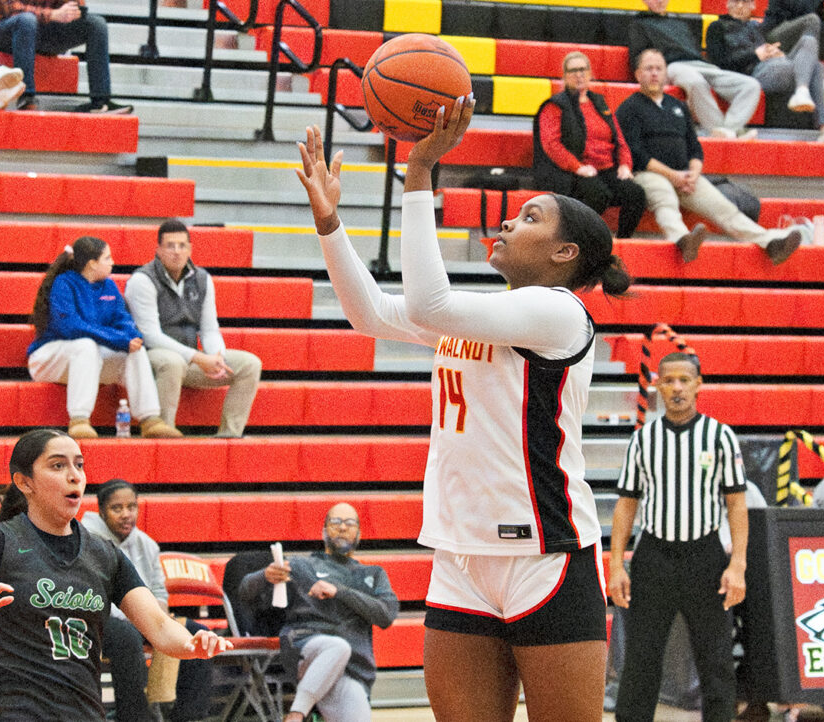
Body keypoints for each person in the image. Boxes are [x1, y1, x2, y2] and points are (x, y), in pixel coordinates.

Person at [296, 95, 625, 719]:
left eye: (529, 218)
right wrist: (331, 226)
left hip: (546, 556)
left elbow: (429, 306)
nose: (506, 223)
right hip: (461, 555)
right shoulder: (485, 314)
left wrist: (419, 174)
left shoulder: (558, 311)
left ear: (564, 255)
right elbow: (370, 316)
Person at [0, 429, 231, 720]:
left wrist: (192, 645)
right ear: (24, 482)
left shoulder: (104, 554)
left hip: (83, 711)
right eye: (58, 465)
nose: (74, 475)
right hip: (10, 712)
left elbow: (159, 627)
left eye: (79, 464)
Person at [607, 352, 748, 722]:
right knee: (641, 660)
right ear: (657, 386)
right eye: (668, 380)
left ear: (698, 384)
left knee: (716, 660)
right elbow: (626, 505)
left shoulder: (720, 436)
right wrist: (615, 566)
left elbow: (736, 504)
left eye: (684, 380)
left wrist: (738, 564)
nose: (677, 387)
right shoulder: (643, 439)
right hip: (654, 556)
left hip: (706, 557)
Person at [616, 49, 810, 265]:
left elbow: (694, 147)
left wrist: (694, 173)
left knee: (724, 207)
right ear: (637, 74)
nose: (654, 73)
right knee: (665, 198)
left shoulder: (677, 106)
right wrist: (673, 176)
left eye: (659, 69)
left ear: (665, 74)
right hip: (648, 174)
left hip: (685, 176)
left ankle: (771, 244)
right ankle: (683, 240)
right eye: (648, 69)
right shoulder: (629, 108)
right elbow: (636, 153)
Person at [237, 502, 398, 722]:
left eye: (350, 523)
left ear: (359, 533)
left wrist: (339, 592)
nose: (342, 528)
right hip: (305, 649)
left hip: (350, 668)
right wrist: (264, 576)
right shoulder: (302, 566)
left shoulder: (373, 574)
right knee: (336, 646)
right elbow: (244, 591)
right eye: (335, 522)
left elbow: (386, 614)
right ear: (323, 531)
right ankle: (296, 715)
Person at [80, 479, 213, 722]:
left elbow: (159, 592)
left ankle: (187, 716)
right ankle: (134, 716)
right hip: (97, 619)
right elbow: (93, 594)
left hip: (140, 620)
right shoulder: (85, 540)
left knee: (195, 633)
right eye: (117, 508)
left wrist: (160, 618)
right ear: (100, 511)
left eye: (131, 507)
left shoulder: (147, 544)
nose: (126, 515)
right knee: (126, 635)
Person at [27, 236, 183, 440]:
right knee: (85, 345)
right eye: (107, 258)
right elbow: (71, 327)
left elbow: (123, 318)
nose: (113, 262)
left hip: (87, 360)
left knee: (134, 352)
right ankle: (79, 419)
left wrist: (133, 338)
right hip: (49, 359)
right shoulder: (63, 284)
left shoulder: (109, 286)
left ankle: (150, 419)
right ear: (92, 264)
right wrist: (117, 340)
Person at [124, 219, 262, 438]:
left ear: (190, 249)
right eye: (170, 246)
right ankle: (162, 430)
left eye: (182, 245)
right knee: (172, 361)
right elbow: (150, 336)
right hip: (148, 359)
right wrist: (198, 357)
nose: (176, 252)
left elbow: (209, 328)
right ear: (158, 250)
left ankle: (229, 435)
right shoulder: (142, 280)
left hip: (190, 358)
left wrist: (217, 357)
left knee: (249, 364)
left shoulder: (202, 279)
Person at [533, 51, 647, 238]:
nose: (579, 74)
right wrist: (577, 167)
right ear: (564, 76)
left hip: (606, 169)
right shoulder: (555, 105)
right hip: (574, 172)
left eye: (583, 69)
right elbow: (551, 145)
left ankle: (622, 242)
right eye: (573, 70)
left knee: (636, 194)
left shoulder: (599, 102)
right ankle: (580, 240)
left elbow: (619, 139)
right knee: (598, 195)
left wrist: (626, 165)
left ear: (590, 73)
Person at [706, 0, 824, 143]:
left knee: (812, 50)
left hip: (775, 66)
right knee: (814, 67)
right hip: (753, 73)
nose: (739, 6)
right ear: (727, 4)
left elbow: (767, 49)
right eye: (735, 2)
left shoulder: (757, 28)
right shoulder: (717, 26)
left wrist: (776, 52)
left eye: (744, 2)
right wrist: (755, 55)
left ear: (753, 6)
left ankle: (812, 106)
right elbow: (720, 62)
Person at [629, 0, 761, 138]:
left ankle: (727, 131)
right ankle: (725, 132)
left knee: (751, 85)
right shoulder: (638, 24)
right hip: (672, 65)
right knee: (696, 82)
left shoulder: (680, 24)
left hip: (700, 64)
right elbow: (639, 57)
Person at [0, 0, 131, 112]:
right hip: (8, 33)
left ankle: (101, 102)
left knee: (96, 25)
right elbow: (13, 9)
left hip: (43, 29)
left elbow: (75, 9)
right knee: (27, 20)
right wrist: (53, 14)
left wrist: (72, 10)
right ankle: (27, 98)